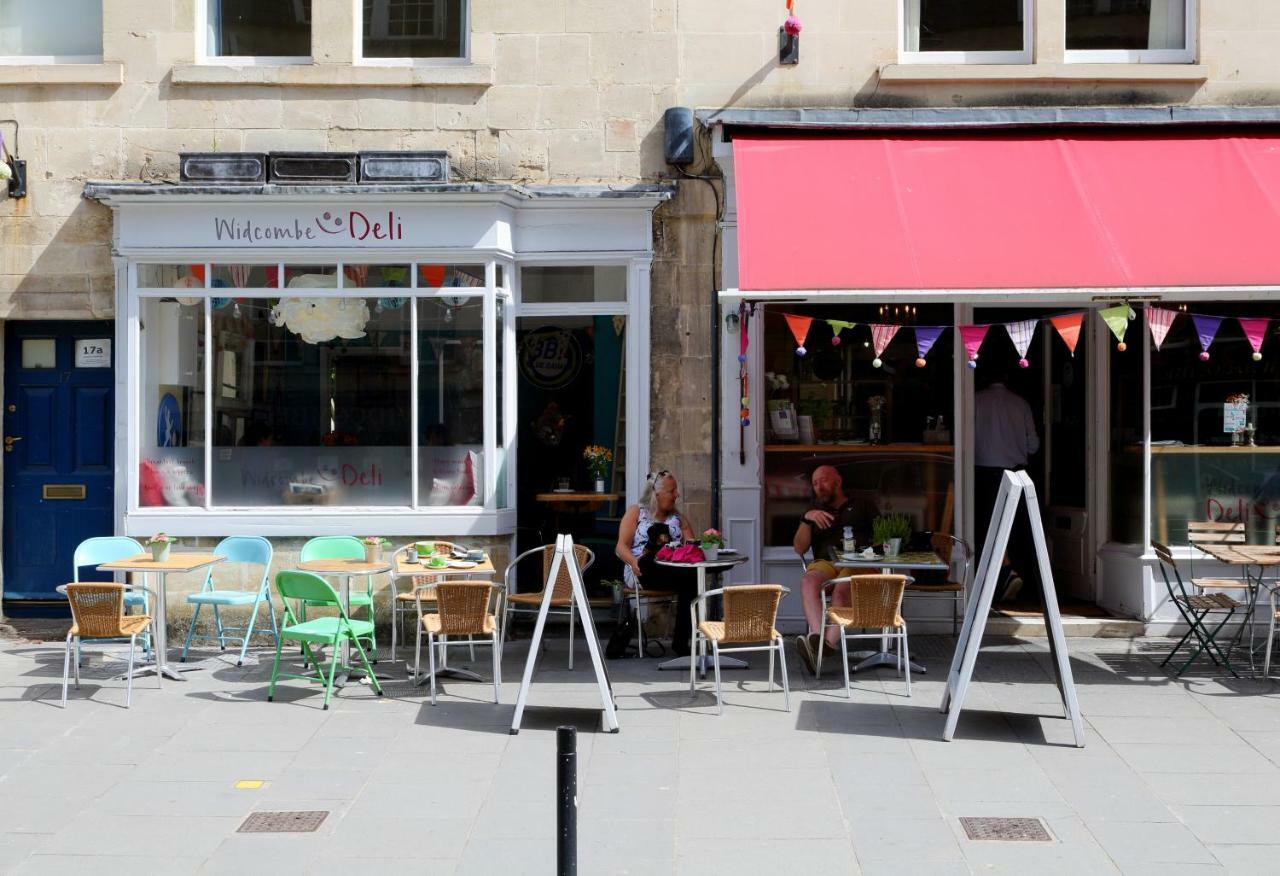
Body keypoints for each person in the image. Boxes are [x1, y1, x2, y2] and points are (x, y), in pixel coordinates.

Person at [792, 465, 875, 674]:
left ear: (838, 481)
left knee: (841, 589)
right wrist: (806, 519)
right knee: (808, 581)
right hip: (826, 563)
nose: (819, 486)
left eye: (824, 480)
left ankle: (823, 647)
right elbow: (799, 548)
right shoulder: (812, 511)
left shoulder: (862, 504)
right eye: (815, 483)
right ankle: (819, 642)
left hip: (856, 562)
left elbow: (883, 536)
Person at [974, 364, 1042, 604]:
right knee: (1019, 532)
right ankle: (1027, 584)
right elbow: (1033, 445)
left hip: (983, 474)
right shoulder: (1020, 404)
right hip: (1016, 474)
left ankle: (992, 587)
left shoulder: (974, 401)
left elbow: (964, 440)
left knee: (986, 529)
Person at [616, 470, 698, 656]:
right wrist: (634, 562)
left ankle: (681, 643)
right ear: (656, 493)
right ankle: (683, 645)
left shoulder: (679, 519)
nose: (677, 495)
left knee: (692, 578)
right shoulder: (636, 513)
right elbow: (621, 547)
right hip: (641, 571)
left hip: (671, 571)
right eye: (672, 491)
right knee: (649, 561)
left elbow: (692, 549)